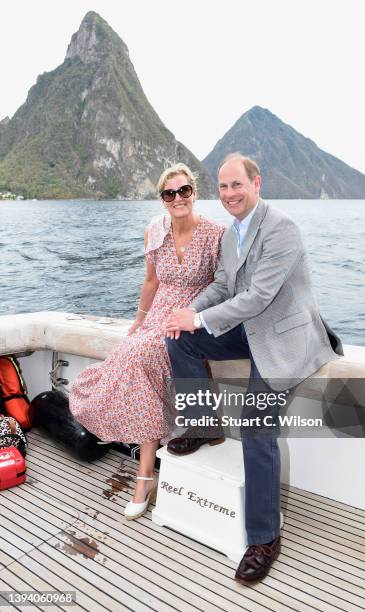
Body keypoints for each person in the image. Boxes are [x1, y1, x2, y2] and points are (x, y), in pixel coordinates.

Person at [165, 153, 343, 585]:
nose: (229, 194)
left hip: (285, 337)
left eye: (237, 185)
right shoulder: (231, 236)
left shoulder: (282, 229)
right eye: (223, 187)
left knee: (257, 424)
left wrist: (201, 317)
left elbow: (259, 296)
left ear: (256, 184)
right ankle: (203, 424)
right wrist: (188, 311)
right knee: (180, 340)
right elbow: (225, 287)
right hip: (249, 329)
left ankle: (265, 537)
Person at [69, 163, 225, 520]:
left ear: (194, 192)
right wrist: (139, 321)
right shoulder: (154, 232)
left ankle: (145, 476)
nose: (177, 198)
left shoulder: (216, 233)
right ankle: (145, 468)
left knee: (139, 358)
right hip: (159, 313)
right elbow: (151, 282)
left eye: (183, 190)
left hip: (192, 316)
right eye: (169, 193)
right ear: (162, 198)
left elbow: (224, 286)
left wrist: (199, 316)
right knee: (131, 351)